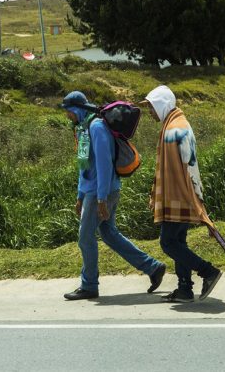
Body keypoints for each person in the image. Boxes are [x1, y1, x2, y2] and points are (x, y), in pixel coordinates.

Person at [59, 91, 166, 300]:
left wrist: (100, 199)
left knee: (85, 237)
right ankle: (153, 268)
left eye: (68, 112)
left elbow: (104, 164)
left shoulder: (97, 127)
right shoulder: (83, 128)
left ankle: (89, 285)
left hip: (102, 192)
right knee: (108, 233)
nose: (67, 116)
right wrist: (80, 196)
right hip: (95, 191)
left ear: (77, 109)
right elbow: (85, 166)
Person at [142, 85, 221, 303]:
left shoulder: (176, 128)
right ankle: (185, 289)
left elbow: (190, 164)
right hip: (177, 194)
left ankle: (208, 271)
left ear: (162, 104)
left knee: (168, 243)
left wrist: (196, 196)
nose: (150, 112)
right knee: (179, 241)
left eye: (151, 107)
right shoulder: (174, 124)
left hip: (179, 195)